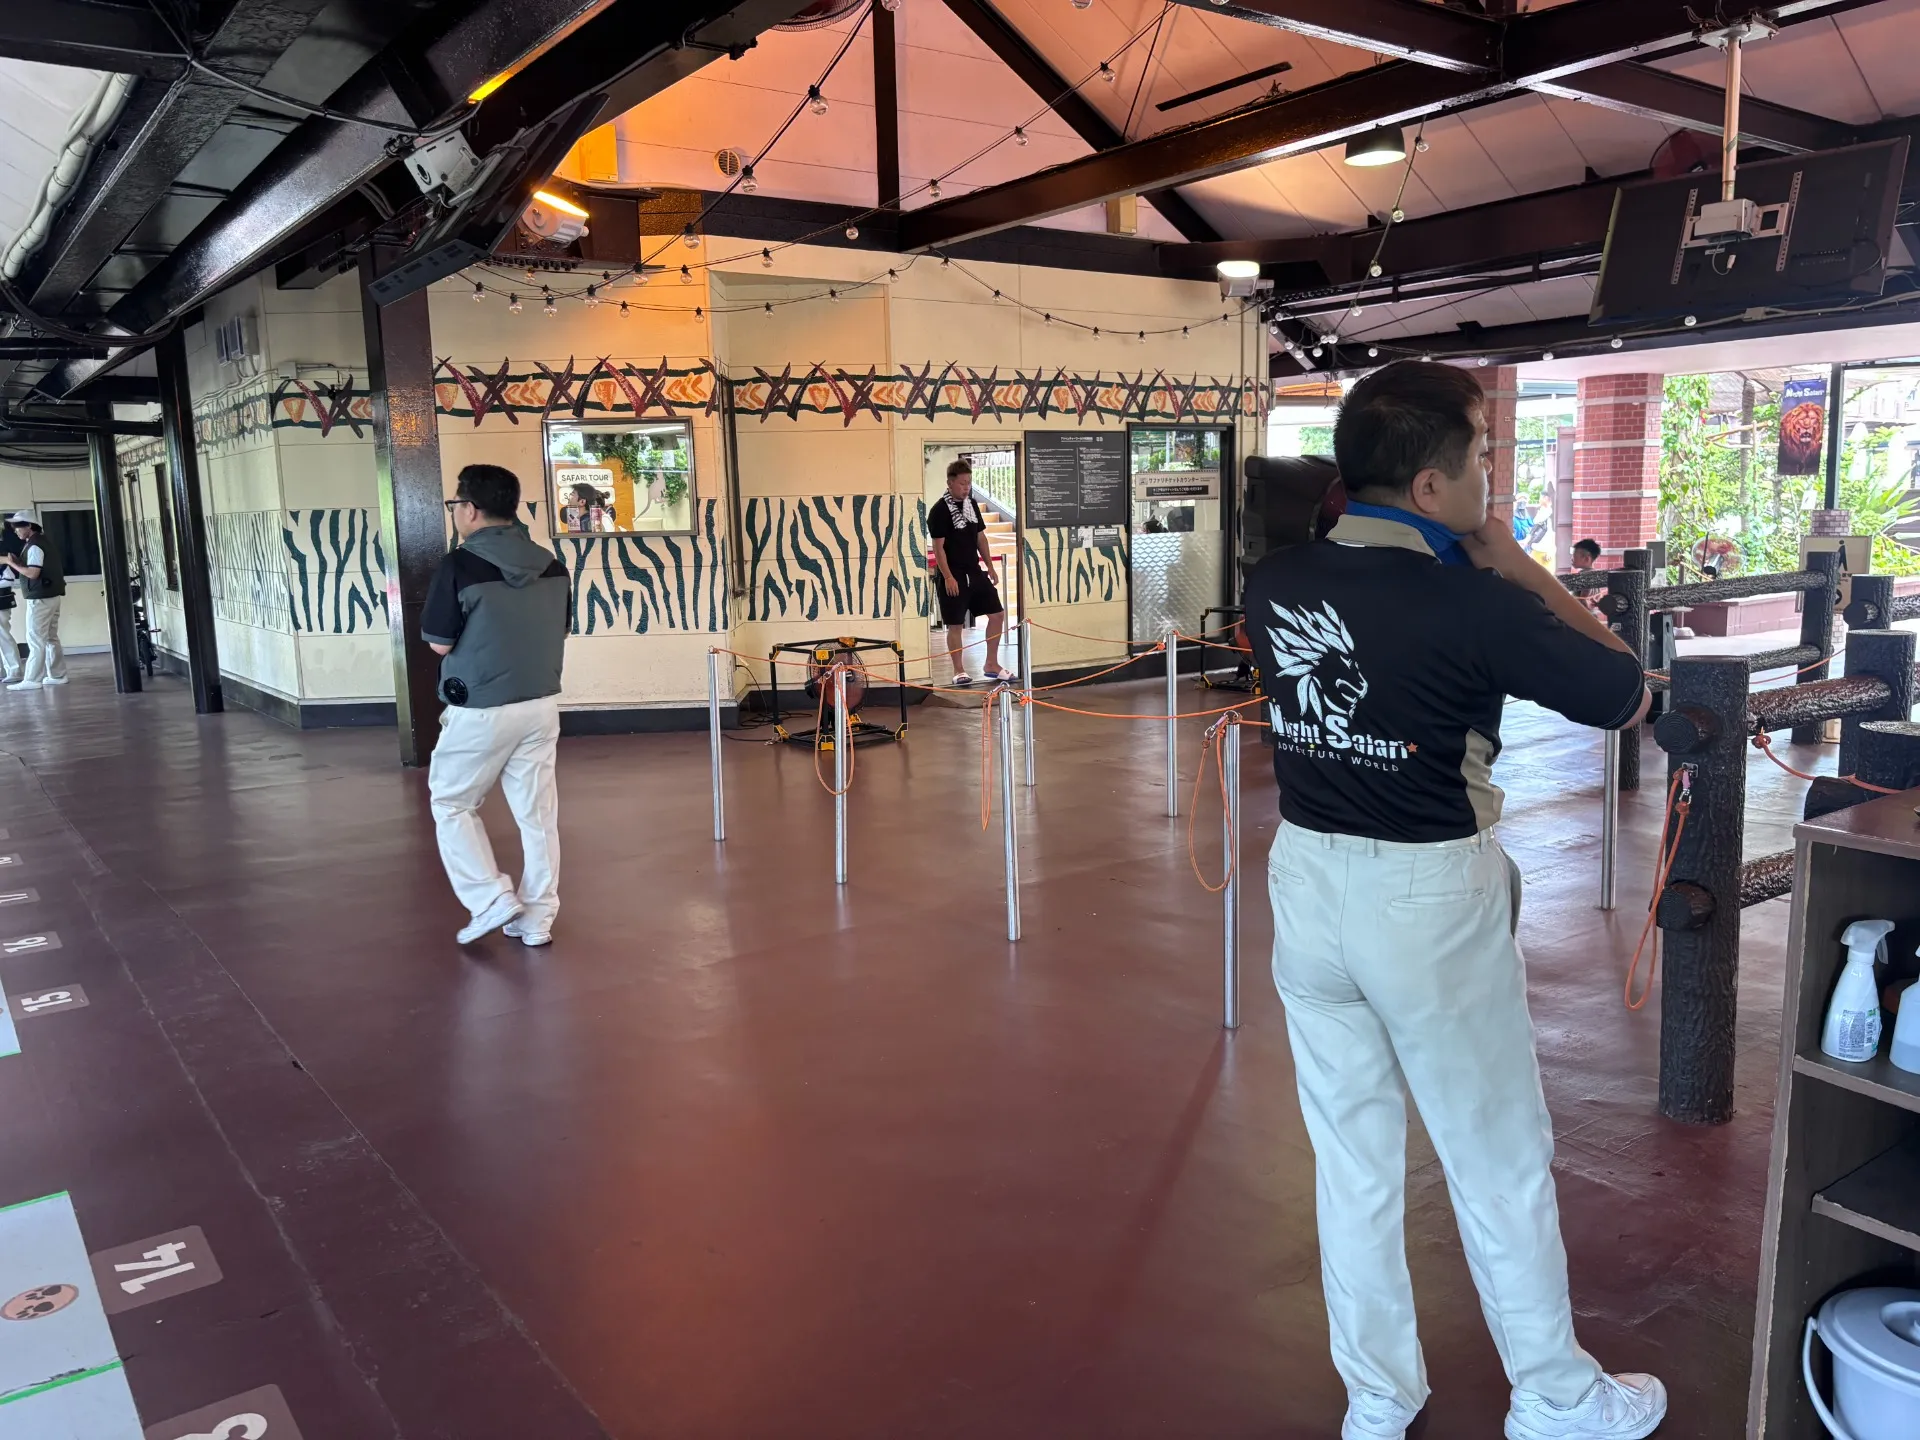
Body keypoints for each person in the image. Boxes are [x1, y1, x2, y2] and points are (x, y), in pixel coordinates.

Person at [1242, 362, 1659, 1440]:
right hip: (1426, 893)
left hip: (1306, 882)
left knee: (1352, 1161)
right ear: (1431, 486)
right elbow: (1625, 690)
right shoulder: (1475, 601)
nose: (1491, 478)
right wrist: (1514, 562)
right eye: (1483, 457)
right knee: (1497, 1157)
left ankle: (1378, 1397)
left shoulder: (1273, 583)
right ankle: (1555, 1395)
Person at [421, 465, 571, 946]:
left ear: (469, 509)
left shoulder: (459, 565)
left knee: (451, 802)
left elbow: (439, 643)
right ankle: (537, 918)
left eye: (455, 504)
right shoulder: (551, 563)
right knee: (537, 815)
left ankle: (489, 898)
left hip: (481, 709)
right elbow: (560, 629)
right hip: (541, 705)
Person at [926, 458, 1011, 687]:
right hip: (953, 574)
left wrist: (990, 566)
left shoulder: (971, 505)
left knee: (997, 614)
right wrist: (948, 577)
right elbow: (938, 548)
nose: (966, 488)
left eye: (969, 483)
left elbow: (980, 537)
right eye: (962, 483)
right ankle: (959, 670)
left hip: (974, 571)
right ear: (950, 483)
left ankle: (991, 663)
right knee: (956, 624)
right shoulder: (939, 511)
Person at [0, 511, 66, 687]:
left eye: (18, 528)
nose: (16, 532)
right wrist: (18, 563)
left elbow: (33, 573)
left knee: (35, 639)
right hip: (51, 596)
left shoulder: (35, 546)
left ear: (29, 526)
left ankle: (32, 679)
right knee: (51, 638)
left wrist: (11, 563)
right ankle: (58, 675)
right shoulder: (42, 542)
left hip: (41, 598)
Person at [0, 525, 24, 685]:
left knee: (3, 635)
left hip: (2, 600)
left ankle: (14, 670)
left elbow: (8, 580)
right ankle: (3, 670)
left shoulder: (4, 562)